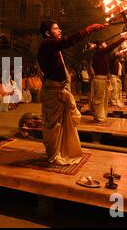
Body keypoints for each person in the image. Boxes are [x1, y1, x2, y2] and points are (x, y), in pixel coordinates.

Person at [37, 21, 105, 165]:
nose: (60, 30)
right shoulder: (47, 44)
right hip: (53, 92)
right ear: (48, 33)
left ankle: (63, 151)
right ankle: (54, 154)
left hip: (59, 90)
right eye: (56, 28)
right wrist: (89, 28)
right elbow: (67, 41)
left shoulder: (53, 47)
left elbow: (66, 43)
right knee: (55, 127)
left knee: (63, 126)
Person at [90, 34, 127, 123]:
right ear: (100, 45)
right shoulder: (99, 52)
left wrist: (119, 54)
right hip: (99, 79)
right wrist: (122, 39)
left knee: (104, 99)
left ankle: (101, 116)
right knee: (98, 99)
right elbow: (110, 48)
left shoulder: (103, 55)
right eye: (104, 43)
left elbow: (111, 55)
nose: (106, 44)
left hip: (104, 80)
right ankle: (98, 116)